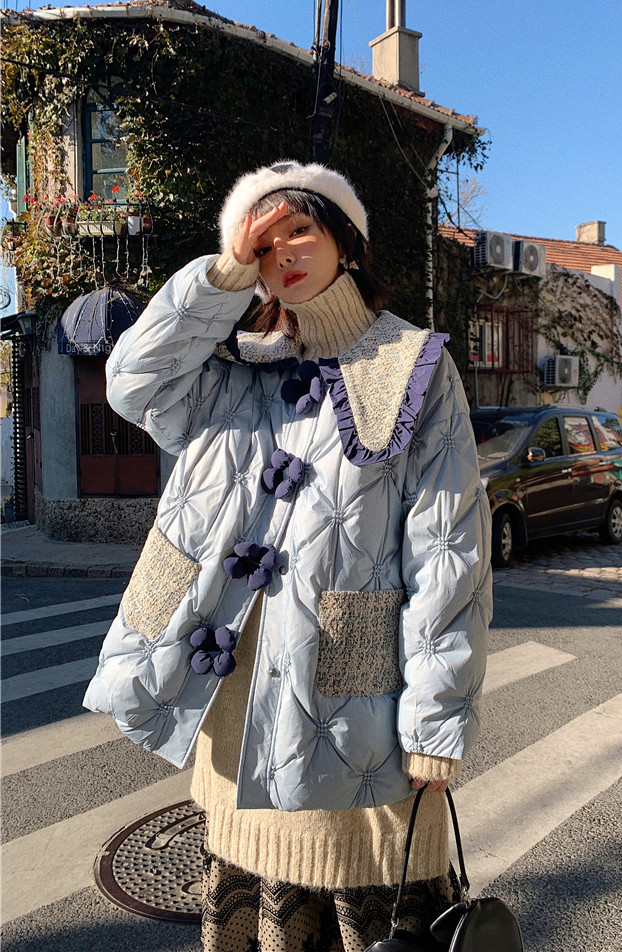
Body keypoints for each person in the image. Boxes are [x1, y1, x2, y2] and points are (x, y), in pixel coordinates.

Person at [84, 161, 492, 952]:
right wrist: (220, 279)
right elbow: (132, 383)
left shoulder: (412, 364)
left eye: (299, 229)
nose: (284, 254)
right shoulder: (227, 365)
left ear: (346, 240)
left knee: (370, 917)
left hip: (352, 708)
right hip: (230, 709)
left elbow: (449, 552)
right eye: (263, 245)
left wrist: (436, 721)